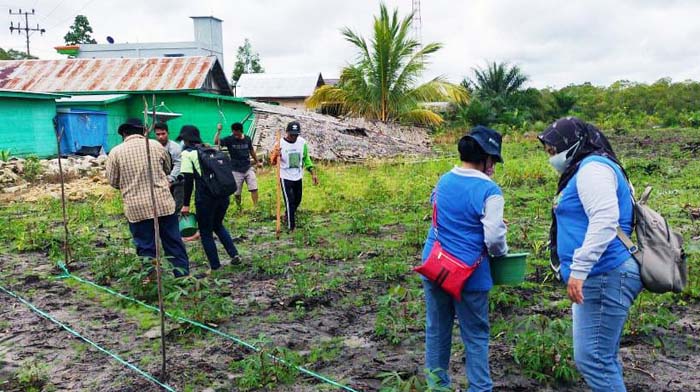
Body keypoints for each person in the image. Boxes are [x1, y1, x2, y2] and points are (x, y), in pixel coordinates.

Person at [538, 117, 640, 392]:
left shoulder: (593, 169)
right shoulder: (587, 167)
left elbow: (605, 219)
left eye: (554, 150)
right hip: (602, 275)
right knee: (602, 357)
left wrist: (580, 270)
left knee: (593, 359)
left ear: (574, 144)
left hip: (605, 274)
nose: (552, 158)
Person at [421, 126, 508, 391]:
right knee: (476, 335)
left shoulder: (444, 180)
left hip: (435, 266)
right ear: (485, 158)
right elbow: (493, 238)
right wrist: (501, 252)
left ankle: (437, 386)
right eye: (493, 160)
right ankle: (480, 388)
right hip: (469, 273)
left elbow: (443, 210)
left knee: (437, 329)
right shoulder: (490, 190)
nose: (493, 166)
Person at [105, 118, 190, 278]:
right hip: (163, 203)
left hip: (136, 208)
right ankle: (183, 277)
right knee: (173, 242)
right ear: (144, 132)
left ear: (124, 134)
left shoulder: (116, 152)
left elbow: (113, 181)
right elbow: (167, 169)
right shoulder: (156, 145)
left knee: (146, 246)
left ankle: (151, 279)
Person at [177, 125, 241, 273]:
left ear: (185, 139)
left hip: (206, 198)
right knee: (218, 225)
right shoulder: (209, 149)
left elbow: (188, 180)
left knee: (205, 232)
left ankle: (215, 266)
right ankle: (234, 254)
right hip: (223, 195)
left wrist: (185, 204)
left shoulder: (188, 154)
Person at [270, 121, 319, 232]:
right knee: (290, 201)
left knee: (298, 200)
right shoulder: (279, 144)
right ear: (287, 133)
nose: (294, 137)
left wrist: (313, 174)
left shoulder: (302, 143)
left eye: (296, 134)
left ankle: (287, 215)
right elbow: (272, 162)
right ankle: (291, 227)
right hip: (285, 176)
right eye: (292, 135)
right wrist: (276, 155)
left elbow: (306, 159)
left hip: (297, 176)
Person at [215, 122, 262, 207]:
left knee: (254, 188)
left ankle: (256, 207)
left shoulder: (247, 139)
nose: (235, 135)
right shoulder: (229, 139)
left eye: (237, 134)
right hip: (235, 170)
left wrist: (257, 161)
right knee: (237, 192)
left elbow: (251, 151)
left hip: (248, 167)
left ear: (241, 131)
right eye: (234, 133)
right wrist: (218, 131)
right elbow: (216, 142)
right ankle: (239, 208)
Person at [154, 122, 184, 213]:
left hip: (176, 179)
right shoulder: (153, 147)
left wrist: (170, 180)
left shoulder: (175, 147)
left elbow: (178, 164)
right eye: (158, 134)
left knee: (177, 204)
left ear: (168, 133)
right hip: (161, 179)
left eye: (163, 134)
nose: (160, 137)